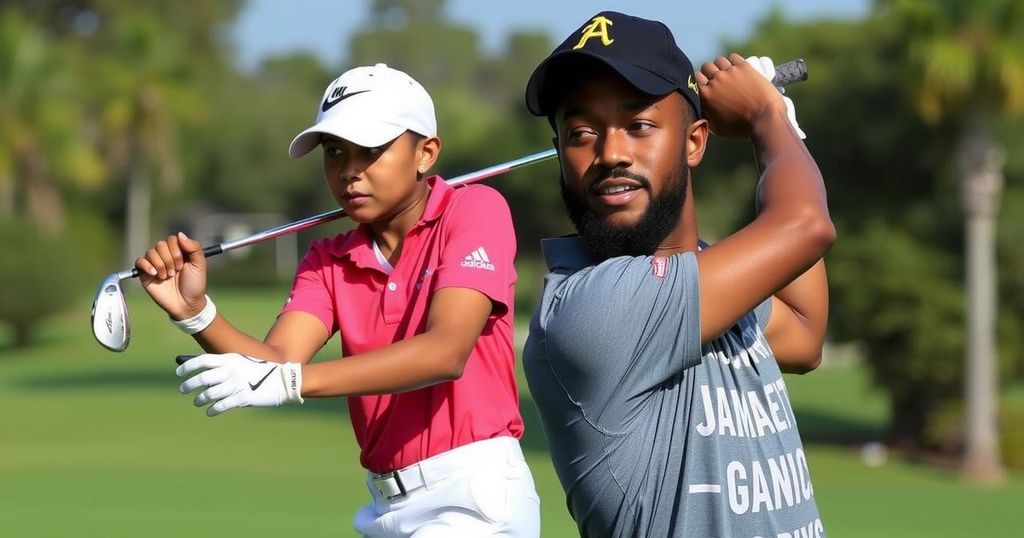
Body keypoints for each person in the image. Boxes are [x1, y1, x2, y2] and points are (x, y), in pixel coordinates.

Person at [134, 63, 540, 537]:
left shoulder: (474, 210)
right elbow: (278, 360)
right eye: (334, 153)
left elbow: (446, 351)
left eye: (370, 151)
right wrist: (195, 313)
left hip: (472, 497)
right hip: (385, 506)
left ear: (426, 152)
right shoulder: (329, 258)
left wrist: (289, 381)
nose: (349, 172)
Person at [520, 11, 833, 537]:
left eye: (638, 125)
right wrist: (766, 117)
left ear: (694, 142)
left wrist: (779, 130)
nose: (610, 153)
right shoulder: (591, 311)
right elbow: (805, 225)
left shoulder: (704, 277)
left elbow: (803, 333)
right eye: (580, 133)